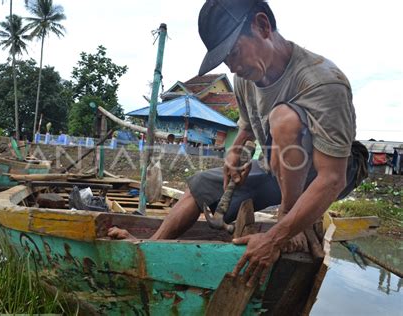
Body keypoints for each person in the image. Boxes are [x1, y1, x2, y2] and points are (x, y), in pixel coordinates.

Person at [109, 0, 368, 286]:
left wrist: (277, 235)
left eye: (234, 52)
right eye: (225, 60)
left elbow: (332, 178)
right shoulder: (246, 77)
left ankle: (288, 216)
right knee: (200, 186)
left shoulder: (322, 82)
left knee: (283, 119)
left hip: (333, 170)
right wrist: (235, 152)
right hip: (280, 165)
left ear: (263, 26)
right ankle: (149, 247)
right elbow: (247, 124)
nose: (232, 65)